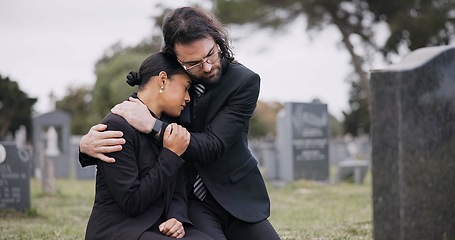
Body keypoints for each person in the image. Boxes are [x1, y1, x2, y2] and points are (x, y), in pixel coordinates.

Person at [80, 6, 281, 240]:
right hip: (188, 201)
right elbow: (138, 108)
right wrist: (86, 148)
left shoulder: (244, 81)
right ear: (175, 59)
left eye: (210, 54)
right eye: (193, 63)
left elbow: (212, 144)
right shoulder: (170, 79)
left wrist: (156, 128)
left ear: (218, 41)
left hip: (234, 195)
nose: (206, 67)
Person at [84, 52, 213, 240]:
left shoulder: (167, 128)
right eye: (185, 88)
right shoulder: (117, 126)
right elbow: (132, 202)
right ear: (163, 80)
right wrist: (170, 154)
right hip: (120, 230)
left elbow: (178, 190)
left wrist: (176, 219)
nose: (188, 98)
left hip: (156, 228)